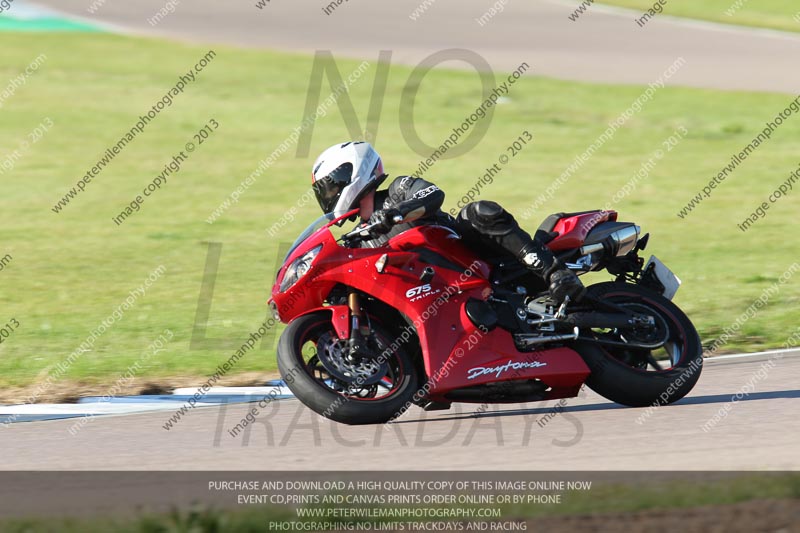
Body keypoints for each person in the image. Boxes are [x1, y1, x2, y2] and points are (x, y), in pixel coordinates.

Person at [310, 141, 584, 302]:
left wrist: (396, 214)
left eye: (330, 187)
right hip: (434, 298)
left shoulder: (398, 190)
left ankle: (555, 273)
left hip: (478, 262)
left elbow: (433, 194)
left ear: (352, 173)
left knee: (476, 212)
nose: (328, 195)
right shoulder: (357, 240)